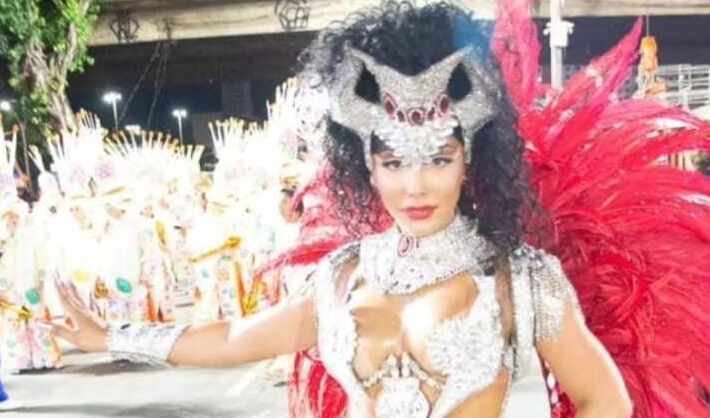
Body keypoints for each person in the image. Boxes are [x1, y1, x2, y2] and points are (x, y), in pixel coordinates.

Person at [48, 1, 710, 418]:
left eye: (438, 158)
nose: (414, 186)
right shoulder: (341, 276)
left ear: (471, 159)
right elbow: (234, 339)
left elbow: (604, 399)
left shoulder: (521, 280)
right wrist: (111, 339)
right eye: (393, 162)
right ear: (364, 163)